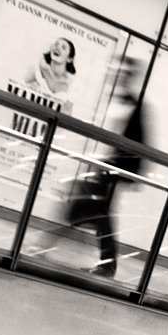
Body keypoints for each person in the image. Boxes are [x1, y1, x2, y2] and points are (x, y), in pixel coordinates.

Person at [64, 56, 146, 278]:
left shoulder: (133, 105)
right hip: (104, 164)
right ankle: (107, 263)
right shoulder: (116, 99)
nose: (117, 75)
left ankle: (108, 264)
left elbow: (137, 141)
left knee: (100, 213)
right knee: (97, 212)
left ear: (129, 76)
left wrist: (133, 174)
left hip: (114, 167)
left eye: (122, 72)